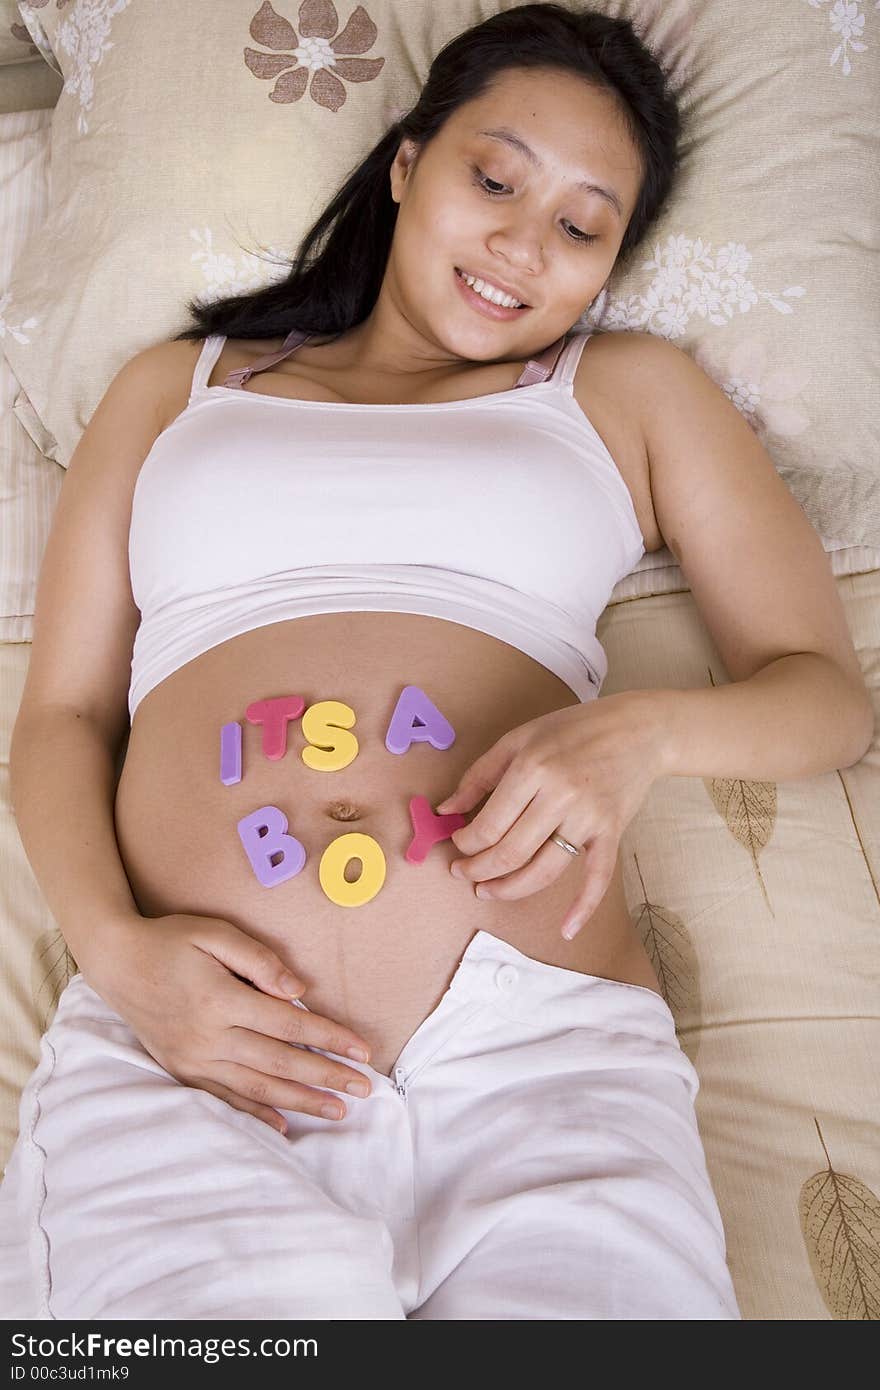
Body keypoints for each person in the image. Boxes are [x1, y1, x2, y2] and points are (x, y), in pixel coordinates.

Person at [0, 2, 760, 1319]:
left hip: (546, 1057)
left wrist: (646, 732)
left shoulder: (628, 393)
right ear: (409, 164)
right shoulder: (175, 388)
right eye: (495, 177)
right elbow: (61, 717)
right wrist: (122, 959)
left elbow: (822, 685)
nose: (527, 242)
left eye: (584, 225)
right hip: (194, 1050)